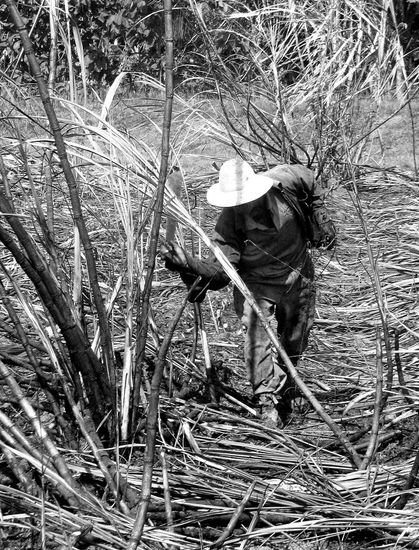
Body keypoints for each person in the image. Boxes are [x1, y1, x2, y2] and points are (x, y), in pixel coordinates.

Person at [161, 158, 336, 428]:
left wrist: (319, 213)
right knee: (257, 338)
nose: (242, 206)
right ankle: (267, 401)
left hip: (298, 273)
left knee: (295, 338)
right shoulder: (228, 225)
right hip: (256, 284)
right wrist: (189, 264)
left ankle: (288, 385)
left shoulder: (285, 182)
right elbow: (221, 274)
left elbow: (310, 179)